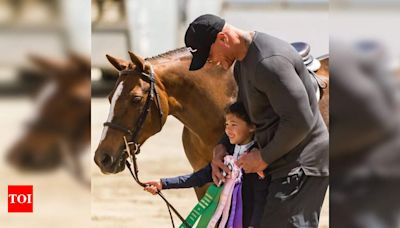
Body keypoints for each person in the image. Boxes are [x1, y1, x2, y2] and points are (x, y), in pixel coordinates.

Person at [184, 14, 329, 227]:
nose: (211, 62)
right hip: (280, 161)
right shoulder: (243, 63)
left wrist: (263, 157)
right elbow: (244, 115)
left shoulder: (269, 62)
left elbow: (301, 120)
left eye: (210, 54)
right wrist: (222, 147)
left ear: (223, 38)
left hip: (302, 164)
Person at [144, 102, 269, 227]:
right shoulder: (226, 155)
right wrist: (163, 183)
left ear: (252, 127)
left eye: (234, 125)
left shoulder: (256, 160)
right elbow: (199, 177)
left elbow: (260, 198)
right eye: (226, 124)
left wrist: (254, 225)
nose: (228, 130)